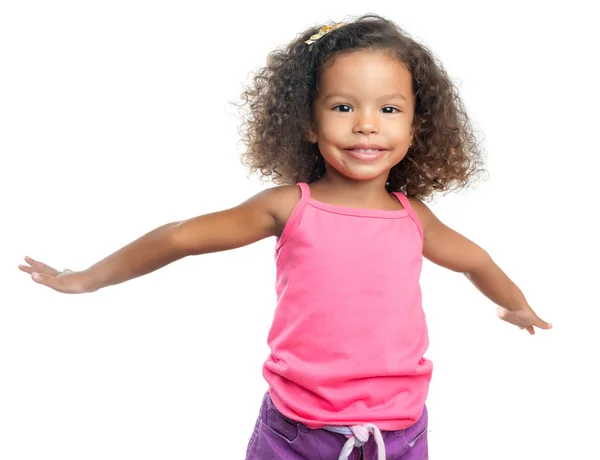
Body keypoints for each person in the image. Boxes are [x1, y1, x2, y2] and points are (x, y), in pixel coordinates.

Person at [18, 14, 552, 460]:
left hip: (400, 433)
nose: (366, 124)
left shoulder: (415, 219)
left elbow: (475, 261)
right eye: (344, 106)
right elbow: (179, 238)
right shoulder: (290, 207)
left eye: (388, 109)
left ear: (415, 128)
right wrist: (85, 278)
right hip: (297, 432)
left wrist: (513, 305)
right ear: (308, 122)